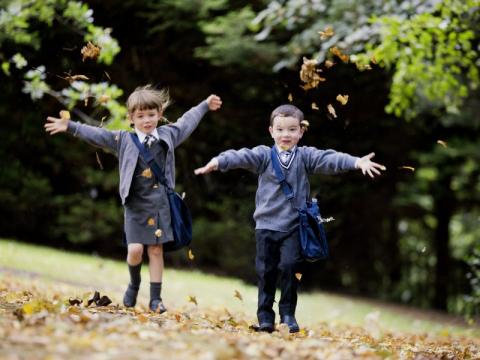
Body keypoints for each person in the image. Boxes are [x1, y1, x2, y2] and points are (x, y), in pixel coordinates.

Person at [194, 104, 384, 333]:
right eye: (281, 129)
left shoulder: (305, 157)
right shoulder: (264, 155)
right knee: (266, 272)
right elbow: (242, 155)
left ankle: (287, 315)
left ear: (301, 132)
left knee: (290, 267)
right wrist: (219, 161)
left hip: (294, 226)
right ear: (271, 131)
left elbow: (329, 159)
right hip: (265, 226)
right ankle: (265, 317)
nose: (286, 135)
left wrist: (356, 162)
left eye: (292, 129)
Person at [45, 85, 222, 312]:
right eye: (140, 116)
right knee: (135, 250)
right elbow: (98, 135)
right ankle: (134, 283)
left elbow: (187, 121)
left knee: (156, 251)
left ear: (159, 114)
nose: (147, 120)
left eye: (151, 115)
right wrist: (71, 126)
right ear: (131, 118)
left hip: (160, 204)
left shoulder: (168, 135)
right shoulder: (123, 140)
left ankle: (155, 299)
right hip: (136, 205)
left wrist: (205, 105)